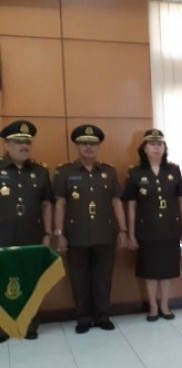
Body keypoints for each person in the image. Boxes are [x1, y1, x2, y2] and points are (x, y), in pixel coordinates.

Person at [53, 125, 127, 334]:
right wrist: (59, 234)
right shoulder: (64, 171)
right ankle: (83, 317)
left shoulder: (109, 172)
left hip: (105, 234)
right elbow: (60, 204)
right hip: (75, 236)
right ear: (77, 145)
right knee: (79, 278)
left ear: (98, 147)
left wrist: (123, 230)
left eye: (93, 144)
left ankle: (102, 315)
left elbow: (116, 202)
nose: (88, 147)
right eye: (84, 143)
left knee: (104, 277)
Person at [123, 129, 182, 320]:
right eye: (152, 144)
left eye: (159, 144)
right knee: (150, 271)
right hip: (147, 229)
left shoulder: (174, 170)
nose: (156, 147)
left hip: (170, 228)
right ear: (144, 148)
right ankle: (153, 306)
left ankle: (165, 305)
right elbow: (132, 206)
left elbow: (181, 200)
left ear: (164, 148)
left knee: (168, 269)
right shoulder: (135, 172)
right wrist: (132, 234)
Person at [0, 120, 54, 341]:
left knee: (31, 280)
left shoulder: (40, 171)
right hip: (2, 235)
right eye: (18, 141)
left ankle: (30, 324)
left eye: (27, 141)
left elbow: (47, 204)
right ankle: (4, 327)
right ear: (6, 145)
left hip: (32, 233)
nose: (24, 145)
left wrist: (49, 233)